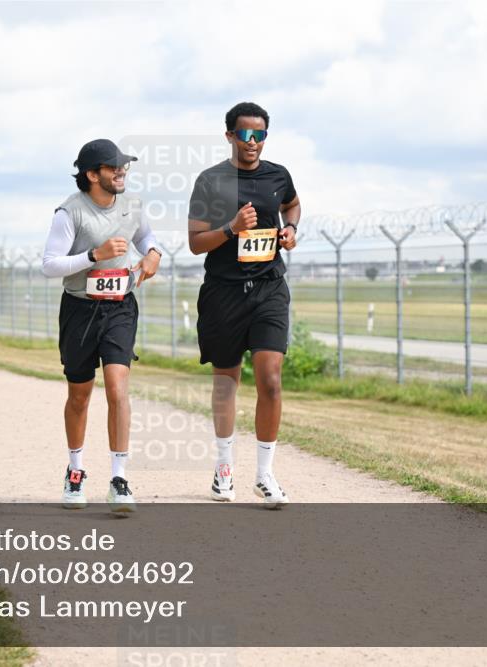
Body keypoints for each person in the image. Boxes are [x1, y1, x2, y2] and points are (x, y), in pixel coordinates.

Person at [187, 102, 301, 509]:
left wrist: (290, 228)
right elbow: (195, 242)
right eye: (246, 134)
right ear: (230, 136)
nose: (253, 142)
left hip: (269, 288)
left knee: (270, 379)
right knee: (226, 383)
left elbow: (292, 204)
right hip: (224, 293)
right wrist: (231, 228)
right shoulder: (210, 180)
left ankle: (265, 474)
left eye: (260, 135)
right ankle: (224, 467)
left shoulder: (278, 175)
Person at [42, 138, 162, 513]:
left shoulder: (133, 205)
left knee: (117, 388)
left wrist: (153, 253)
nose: (122, 171)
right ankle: (75, 471)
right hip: (79, 309)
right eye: (114, 167)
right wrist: (94, 255)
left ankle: (119, 478)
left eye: (124, 166)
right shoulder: (70, 212)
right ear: (93, 175)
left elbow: (145, 236)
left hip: (120, 306)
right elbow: (50, 265)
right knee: (79, 395)